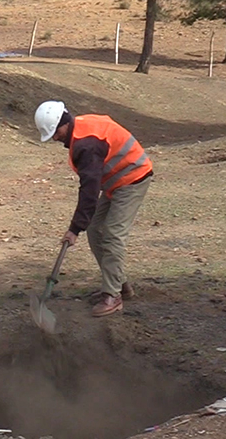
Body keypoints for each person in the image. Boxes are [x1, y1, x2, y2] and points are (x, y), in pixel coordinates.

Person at [34, 100, 154, 317]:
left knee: (112, 234)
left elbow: (89, 192)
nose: (55, 138)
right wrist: (81, 226)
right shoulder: (79, 129)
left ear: (64, 123)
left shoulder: (86, 145)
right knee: (95, 228)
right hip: (115, 181)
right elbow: (92, 186)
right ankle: (119, 285)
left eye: (55, 132)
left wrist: (73, 229)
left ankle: (113, 296)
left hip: (132, 177)